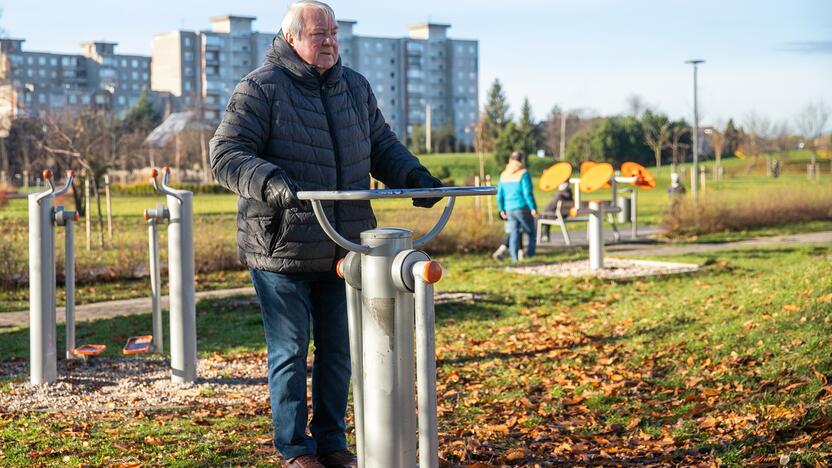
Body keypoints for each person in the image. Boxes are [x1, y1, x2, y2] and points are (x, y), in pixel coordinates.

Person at [209, 2, 442, 467]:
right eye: (320, 34)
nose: (330, 41)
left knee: (339, 351)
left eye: (334, 33)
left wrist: (415, 176)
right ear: (293, 38)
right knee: (290, 352)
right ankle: (295, 449)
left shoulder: (353, 86)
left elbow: (381, 145)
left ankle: (333, 444)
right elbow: (226, 153)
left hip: (345, 246)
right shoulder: (261, 87)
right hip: (282, 247)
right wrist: (270, 181)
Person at [496, 151, 537, 262]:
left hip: (509, 208)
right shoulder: (523, 173)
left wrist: (501, 209)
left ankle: (514, 258)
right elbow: (527, 193)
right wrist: (533, 208)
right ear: (521, 160)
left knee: (514, 233)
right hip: (522, 207)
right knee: (531, 232)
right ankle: (530, 255)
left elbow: (499, 194)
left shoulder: (504, 174)